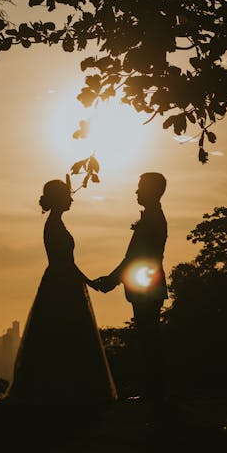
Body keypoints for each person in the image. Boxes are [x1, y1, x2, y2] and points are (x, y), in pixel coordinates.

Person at [3, 178, 117, 408]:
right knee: (63, 332)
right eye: (67, 196)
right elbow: (65, 262)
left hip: (61, 282)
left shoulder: (55, 223)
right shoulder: (54, 225)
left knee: (61, 334)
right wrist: (90, 283)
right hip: (61, 284)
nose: (71, 199)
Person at [93, 172, 168, 402]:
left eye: (140, 187)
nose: (136, 191)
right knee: (147, 337)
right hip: (145, 284)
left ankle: (153, 391)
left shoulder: (153, 220)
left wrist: (112, 280)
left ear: (153, 191)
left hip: (147, 285)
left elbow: (134, 257)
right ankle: (152, 389)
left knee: (148, 338)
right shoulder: (152, 218)